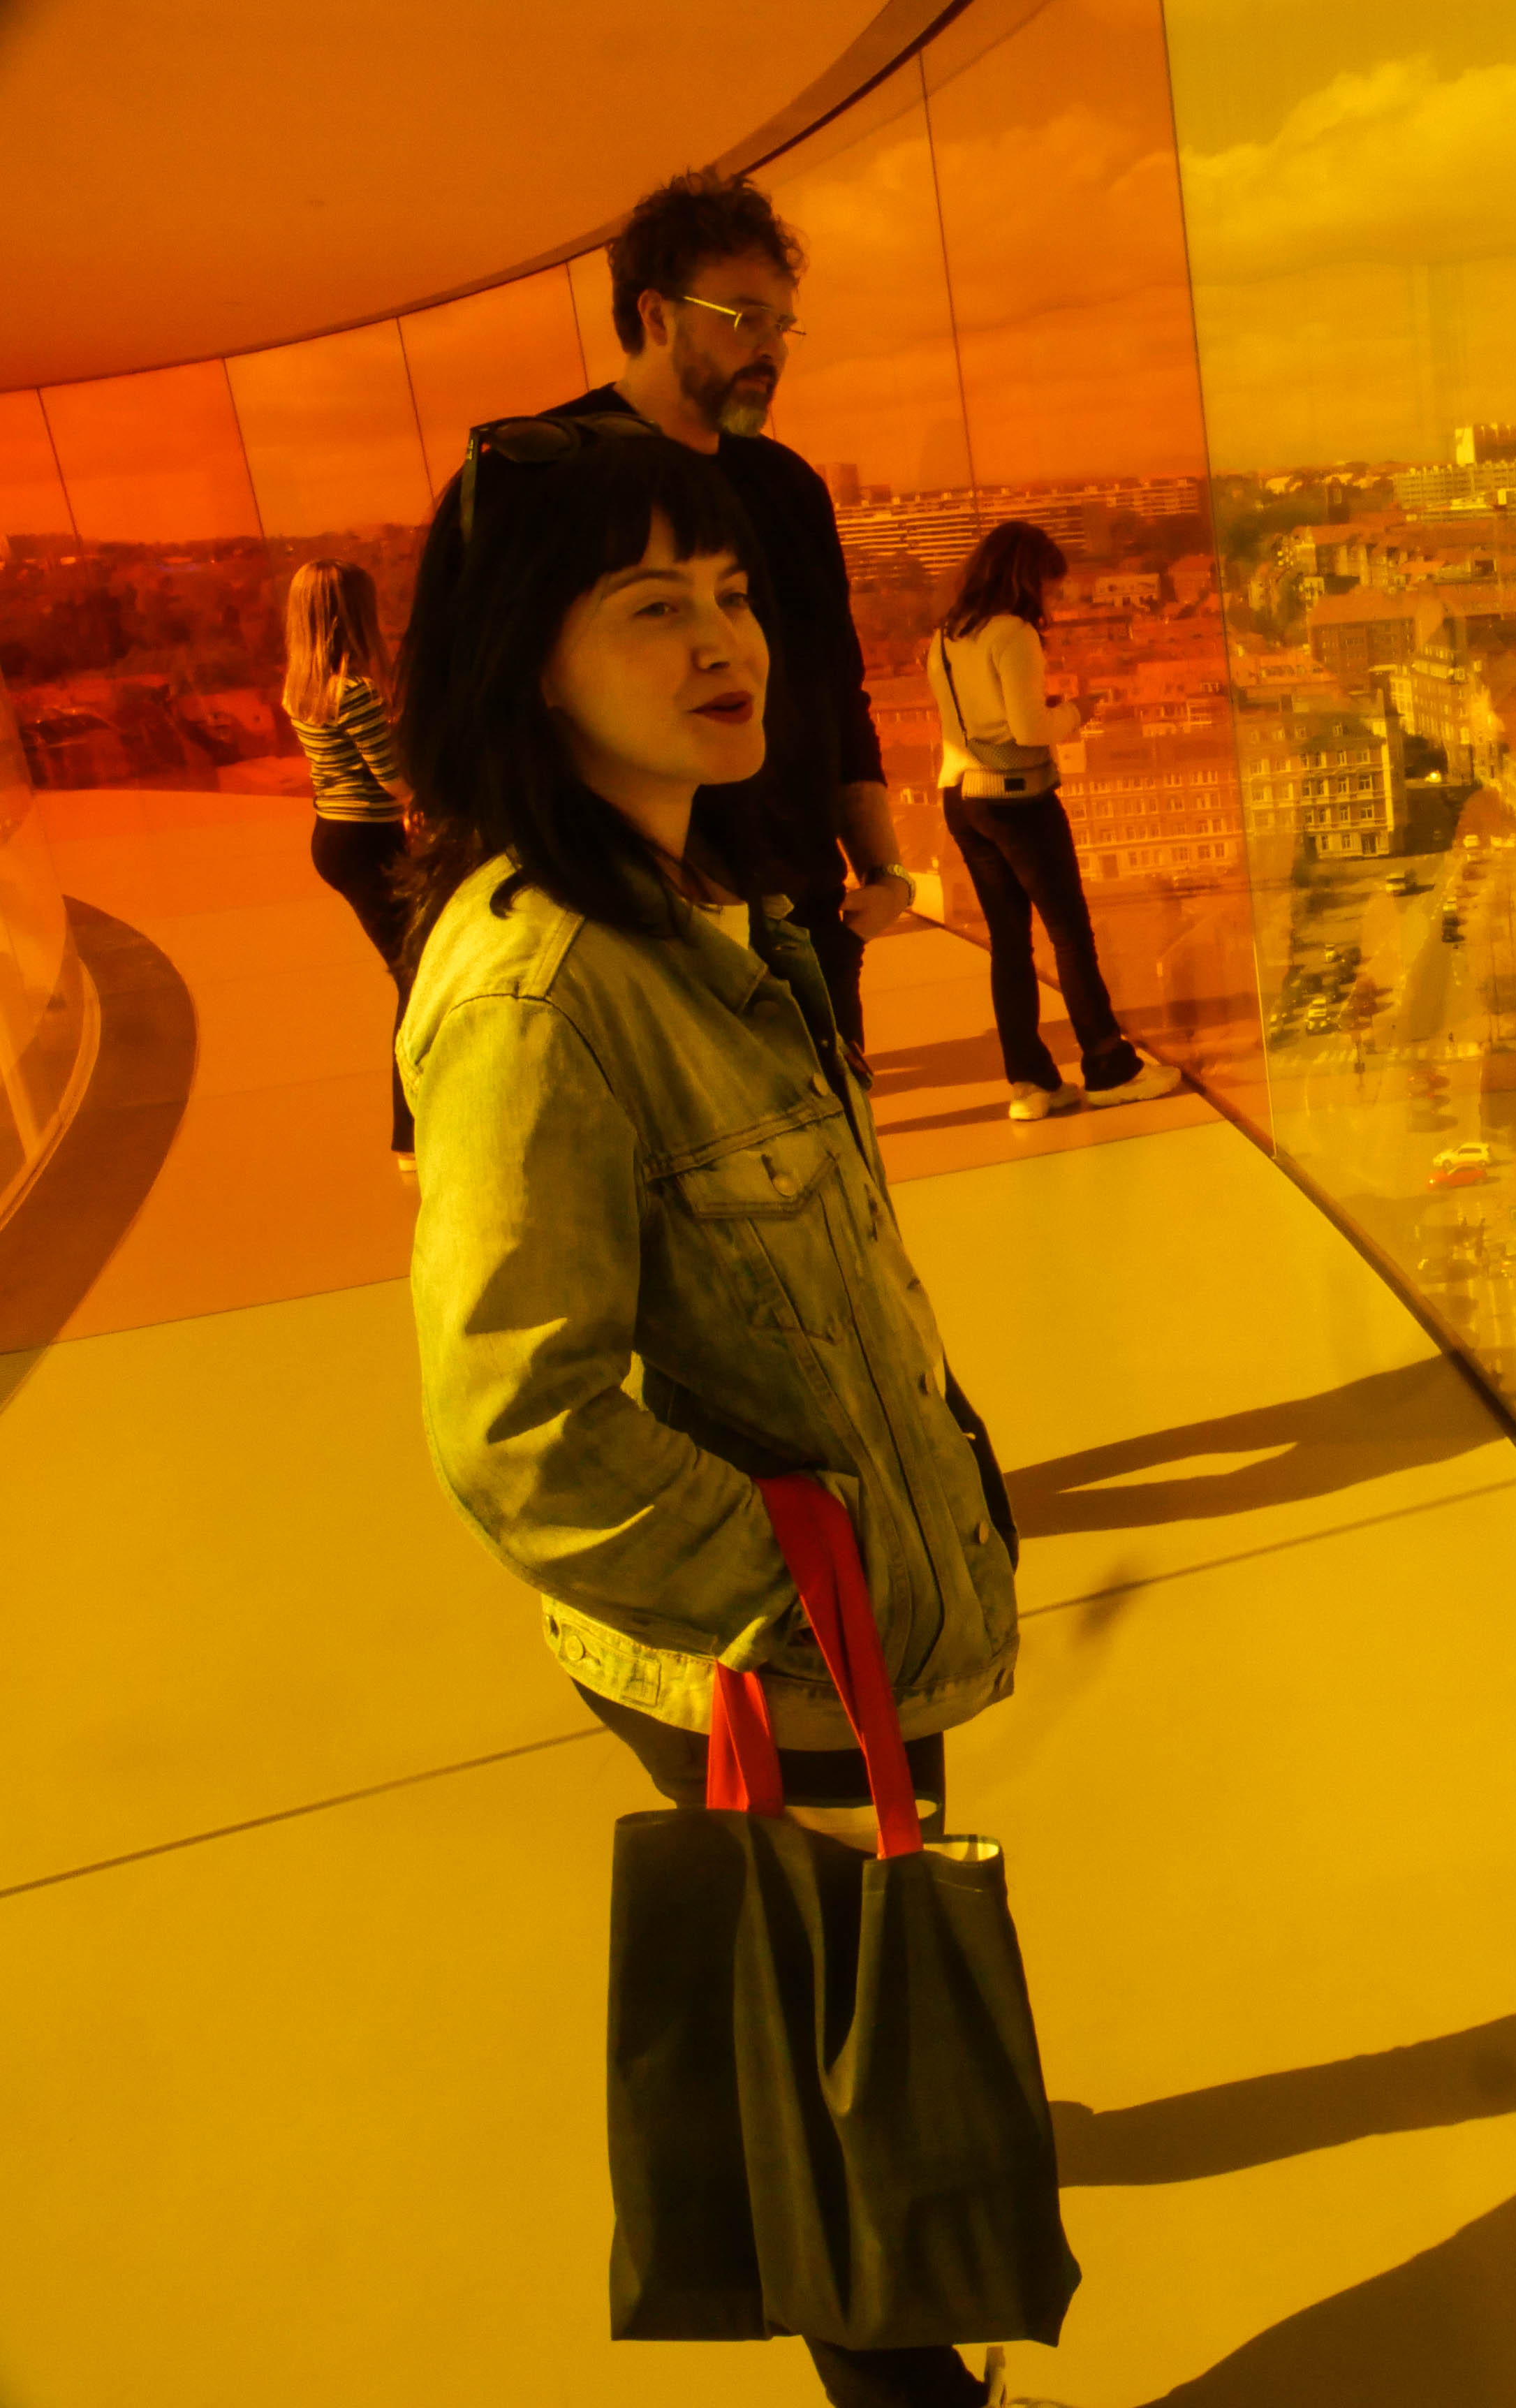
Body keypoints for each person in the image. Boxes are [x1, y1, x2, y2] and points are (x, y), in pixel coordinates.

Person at [395, 419, 1051, 2408]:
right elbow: (517, 1423)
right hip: (765, 1646)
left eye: (735, 594)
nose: (723, 642)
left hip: (836, 1617)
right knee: (852, 2110)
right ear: (528, 660)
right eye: (648, 606)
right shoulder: (537, 991)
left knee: (868, 2025)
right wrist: (793, 1577)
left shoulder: (704, 913)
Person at [536, 167, 917, 1064]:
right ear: (657, 315)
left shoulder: (789, 487)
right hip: (630, 922)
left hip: (803, 912)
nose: (771, 347)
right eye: (744, 318)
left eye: (782, 325)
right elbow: (487, 718)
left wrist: (883, 866)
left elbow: (833, 688)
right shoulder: (546, 479)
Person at [928, 521, 1182, 1119]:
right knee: (1070, 934)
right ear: (1028, 578)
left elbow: (978, 720)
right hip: (1018, 800)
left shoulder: (944, 636)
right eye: (1052, 584)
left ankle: (1031, 1083)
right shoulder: (1013, 634)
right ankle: (1108, 1066)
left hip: (962, 796)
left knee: (1009, 944)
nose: (1056, 597)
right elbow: (1029, 731)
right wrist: (1079, 710)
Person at [281, 558, 418, 1178]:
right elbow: (394, 781)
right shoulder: (355, 691)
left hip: (337, 835)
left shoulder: (303, 687)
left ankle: (413, 1132)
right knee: (416, 977)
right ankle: (408, 1136)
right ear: (350, 614)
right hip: (366, 839)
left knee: (414, 971)